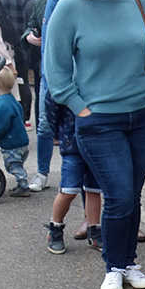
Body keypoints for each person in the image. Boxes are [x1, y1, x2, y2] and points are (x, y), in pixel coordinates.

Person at [43, 0, 145, 289]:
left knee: (132, 192)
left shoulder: (138, 2)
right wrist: (81, 110)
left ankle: (128, 262)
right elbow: (56, 71)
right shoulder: (69, 7)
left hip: (144, 113)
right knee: (118, 195)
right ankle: (114, 264)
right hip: (99, 120)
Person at [38, 0, 80, 198]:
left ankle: (92, 217)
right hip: (60, 79)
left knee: (86, 145)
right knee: (48, 126)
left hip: (91, 85)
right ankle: (43, 172)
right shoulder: (57, 0)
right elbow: (50, 48)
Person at [23, 0, 66, 191]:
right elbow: (29, 26)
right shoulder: (43, 2)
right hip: (46, 72)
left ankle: (78, 179)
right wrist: (30, 36)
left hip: (69, 73)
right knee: (43, 125)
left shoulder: (70, 0)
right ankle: (42, 173)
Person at [43, 93, 103, 253]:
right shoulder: (65, 80)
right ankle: (55, 228)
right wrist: (61, 134)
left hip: (96, 142)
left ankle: (94, 230)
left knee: (94, 190)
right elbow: (51, 109)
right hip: (72, 143)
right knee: (68, 190)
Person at [0, 0, 34, 120]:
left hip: (2, 46)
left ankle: (5, 119)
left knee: (2, 84)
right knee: (22, 81)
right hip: (22, 45)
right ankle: (25, 118)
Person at [0, 67, 31, 197]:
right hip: (21, 140)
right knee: (18, 163)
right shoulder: (11, 99)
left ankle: (23, 186)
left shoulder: (1, 103)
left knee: (13, 165)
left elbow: (2, 125)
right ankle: (21, 184)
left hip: (13, 143)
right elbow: (13, 118)